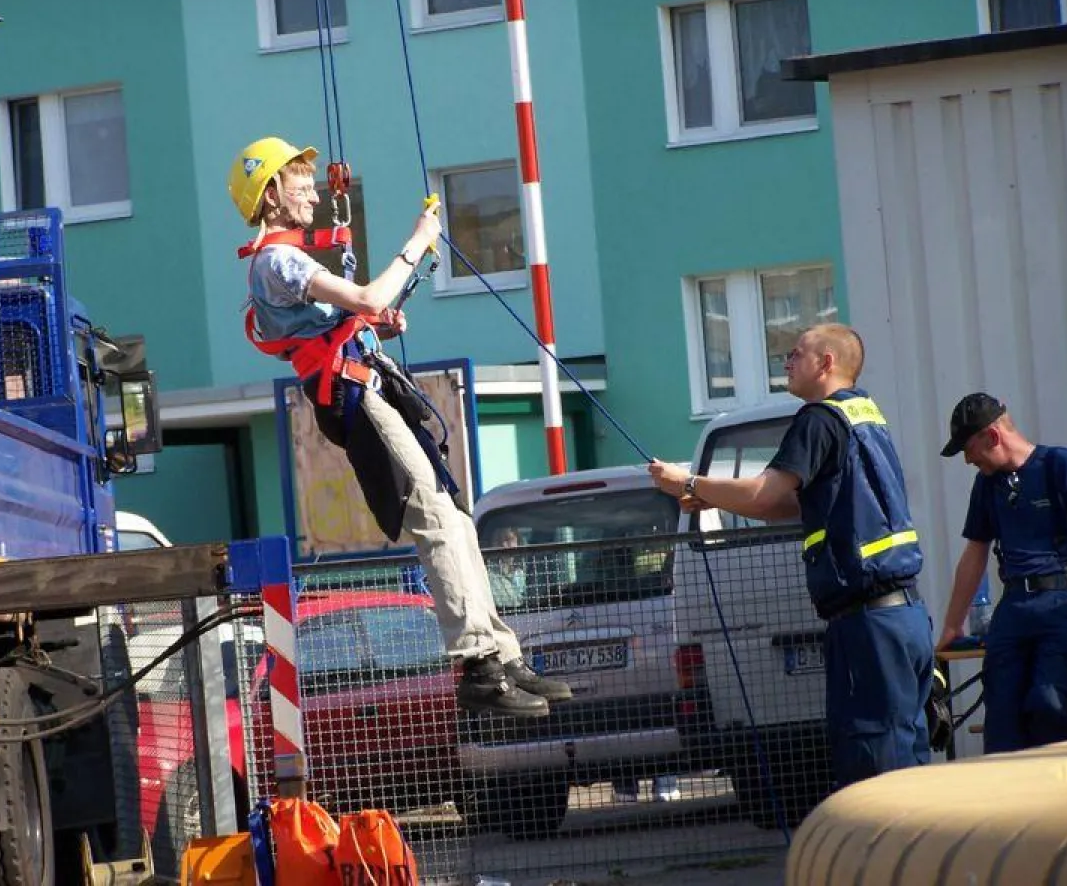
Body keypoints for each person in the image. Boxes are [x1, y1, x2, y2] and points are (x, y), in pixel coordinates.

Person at [228, 137, 570, 718]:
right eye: (300, 180)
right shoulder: (278, 261)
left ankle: (499, 652)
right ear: (272, 195)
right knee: (433, 515)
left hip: (361, 379)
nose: (312, 189)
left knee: (454, 514)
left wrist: (371, 328)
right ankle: (479, 664)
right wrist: (418, 243)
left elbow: (338, 320)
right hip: (353, 392)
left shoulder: (283, 262)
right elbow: (365, 293)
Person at [649, 323, 933, 788]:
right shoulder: (864, 416)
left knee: (877, 768)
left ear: (825, 363)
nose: (787, 362)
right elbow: (790, 505)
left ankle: (890, 859)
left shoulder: (818, 419)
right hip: (900, 617)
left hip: (868, 624)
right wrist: (718, 499)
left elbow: (764, 495)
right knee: (902, 755)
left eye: (796, 354)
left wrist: (688, 483)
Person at [937, 393, 1067, 752]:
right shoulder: (988, 485)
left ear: (992, 436)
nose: (968, 459)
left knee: (1050, 706)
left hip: (1064, 604)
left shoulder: (1060, 466)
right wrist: (952, 627)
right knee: (1003, 719)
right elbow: (975, 554)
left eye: (969, 448)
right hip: (1014, 606)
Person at [488, 527, 527, 610]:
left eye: (509, 539)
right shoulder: (488, 575)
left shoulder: (522, 573)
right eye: (499, 541)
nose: (504, 545)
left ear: (518, 543)